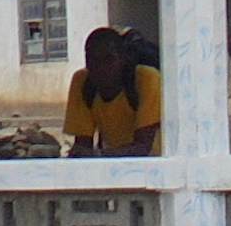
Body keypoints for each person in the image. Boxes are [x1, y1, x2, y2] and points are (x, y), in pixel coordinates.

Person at [63, 27, 161, 157]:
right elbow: (82, 144)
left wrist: (97, 155)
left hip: (156, 163)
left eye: (108, 58)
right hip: (114, 163)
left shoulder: (146, 78)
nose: (100, 67)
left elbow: (143, 147)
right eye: (92, 59)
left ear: (122, 60)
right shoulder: (82, 82)